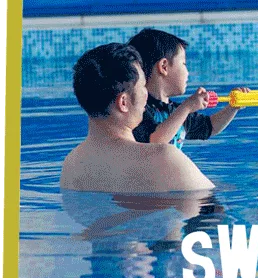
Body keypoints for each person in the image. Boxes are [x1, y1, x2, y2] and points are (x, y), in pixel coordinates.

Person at [60, 43, 214, 193]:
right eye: (143, 87)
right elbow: (213, 214)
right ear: (124, 102)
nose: (146, 94)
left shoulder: (71, 165)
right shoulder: (164, 159)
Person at [127, 29, 248, 150]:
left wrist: (232, 108)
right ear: (164, 67)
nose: (187, 72)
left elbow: (210, 127)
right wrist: (187, 107)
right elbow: (155, 142)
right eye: (184, 64)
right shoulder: (139, 111)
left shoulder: (174, 111)